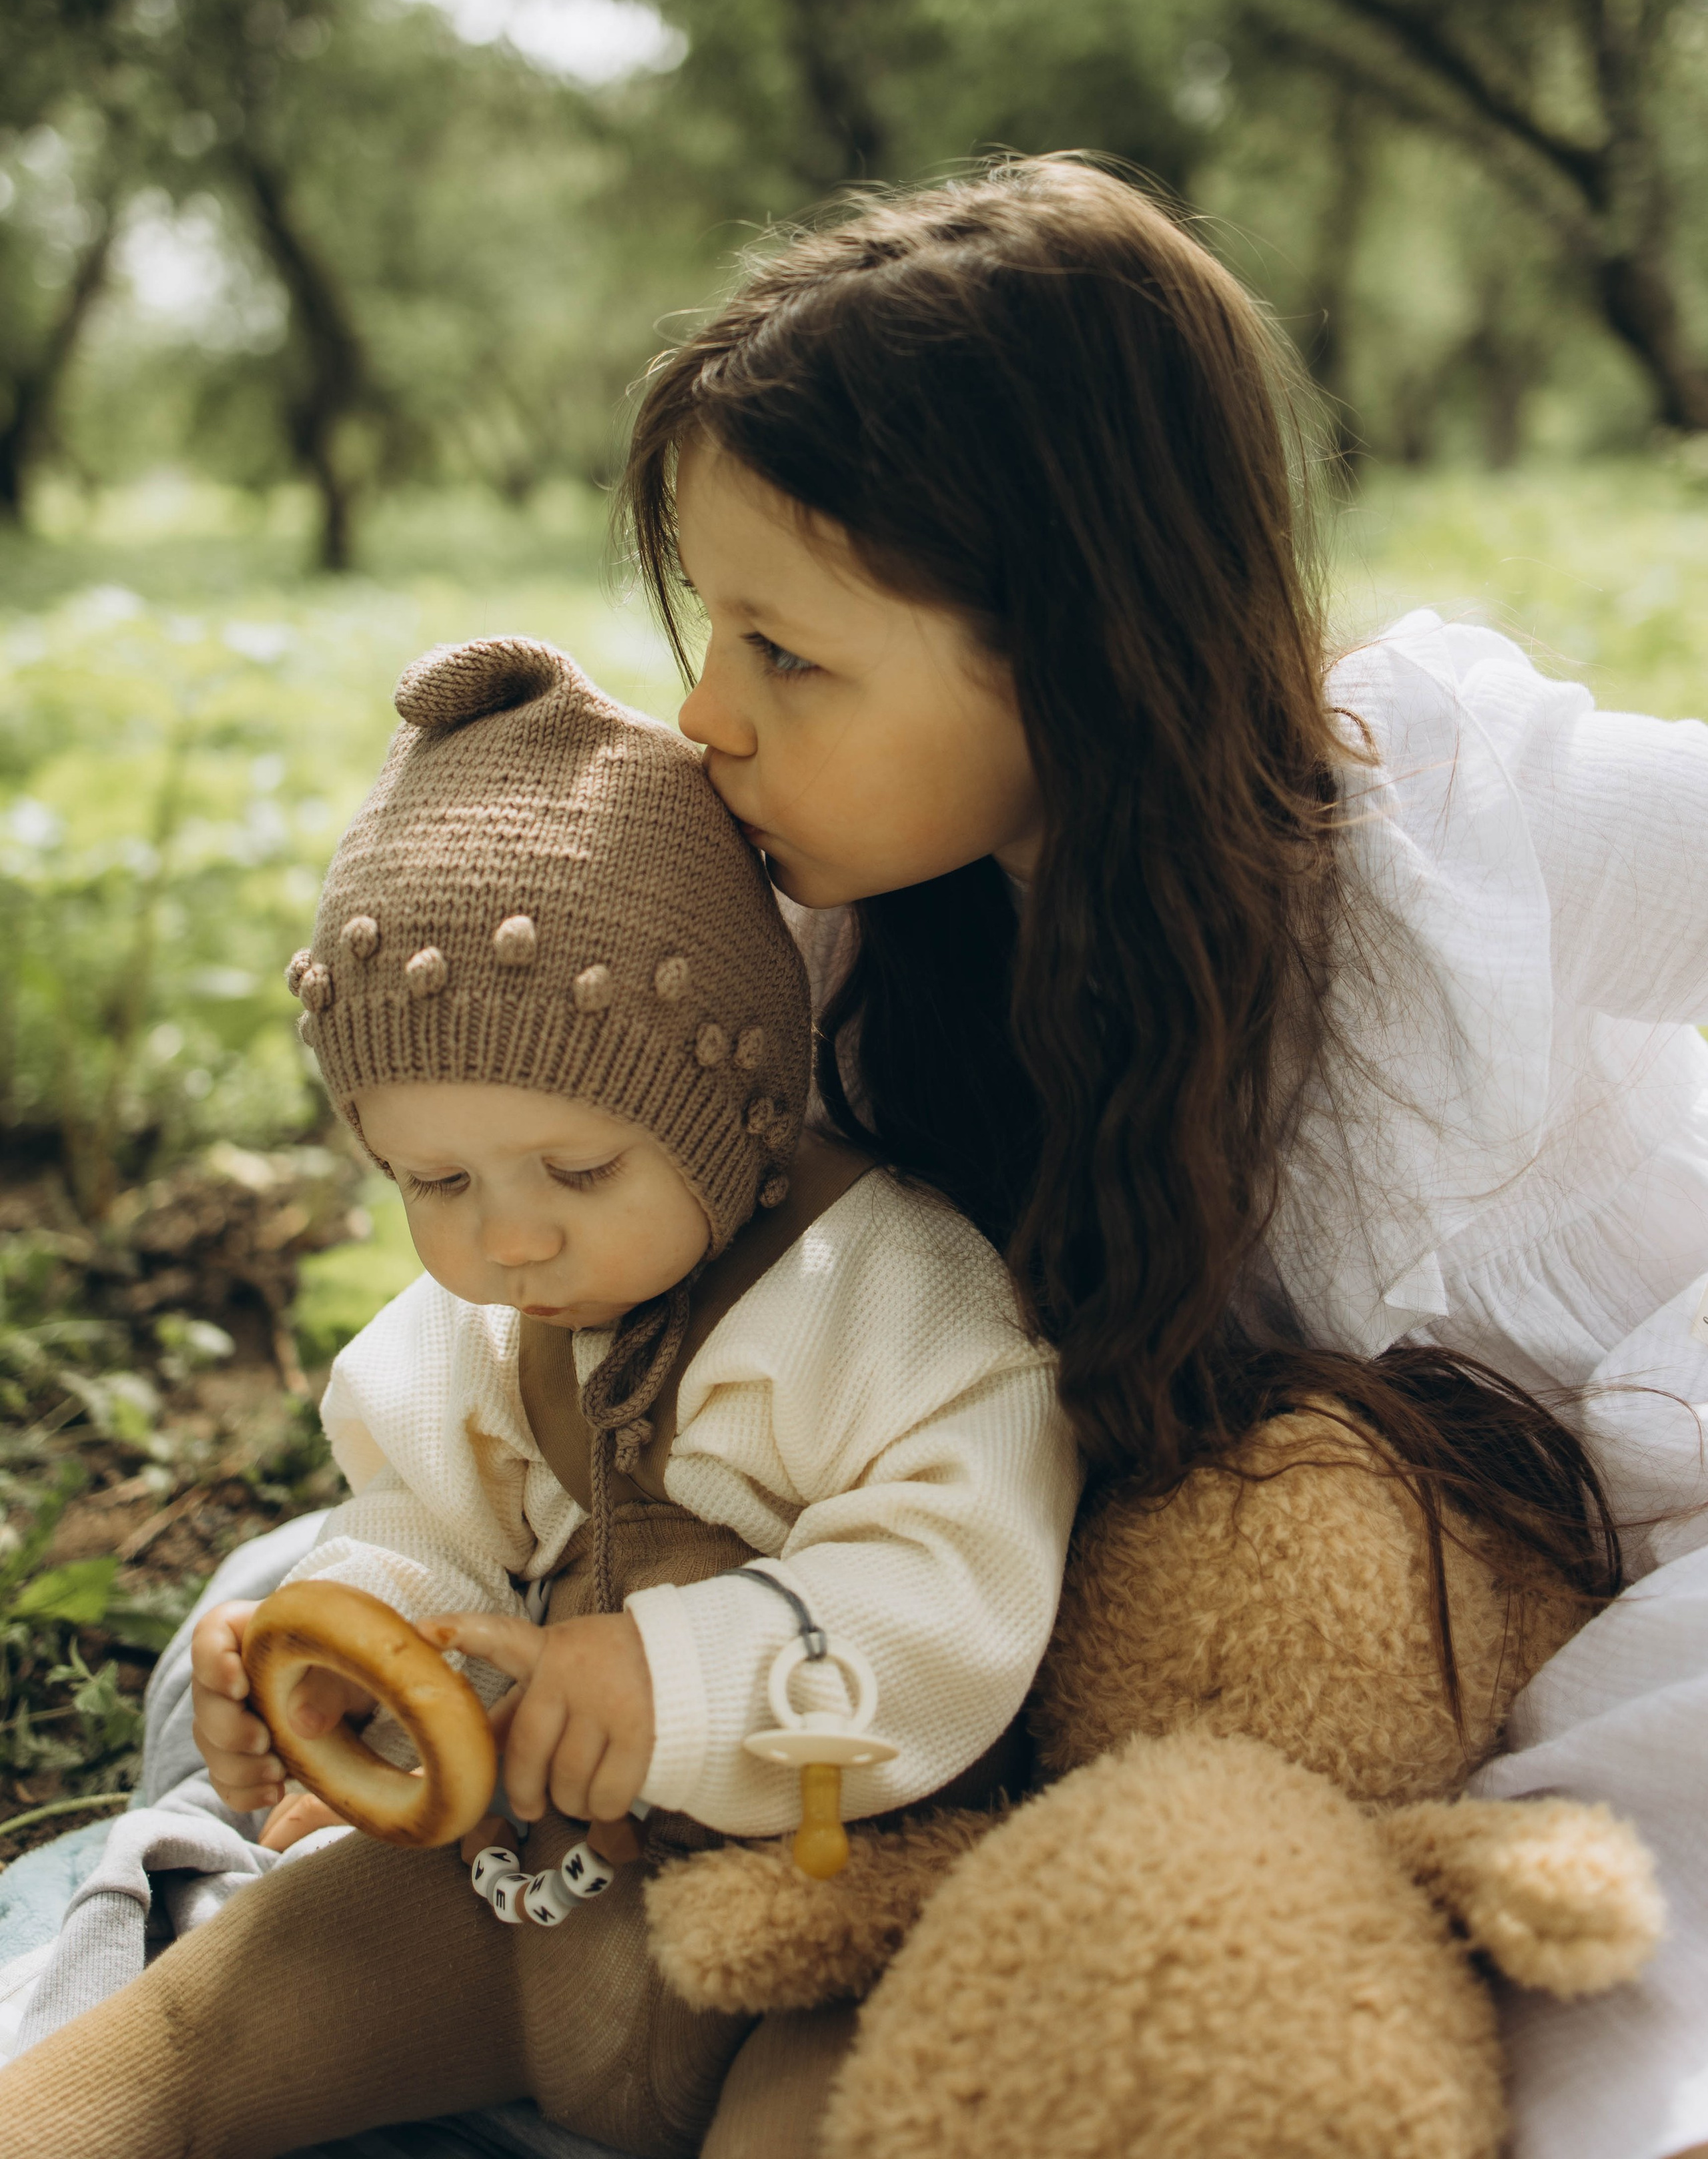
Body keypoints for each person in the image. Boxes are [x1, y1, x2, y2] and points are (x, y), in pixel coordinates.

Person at [610, 153, 1708, 2159]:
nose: (707, 718)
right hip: (1196, 1617)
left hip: (1608, 1528)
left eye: (789, 655)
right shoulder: (854, 932)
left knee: (1624, 1882)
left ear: (1070, 635)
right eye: (712, 632)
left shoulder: (1456, 839)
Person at [0, 632, 1076, 2159]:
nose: (508, 1237)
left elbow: (961, 1594)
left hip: (810, 1912)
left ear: (730, 1110)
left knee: (860, 2106)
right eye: (432, 1181)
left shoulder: (882, 1294)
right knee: (208, 2017)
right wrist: (353, 1647)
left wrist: (672, 1681)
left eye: (579, 1172)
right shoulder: (477, 1329)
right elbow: (425, 1523)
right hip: (520, 1892)